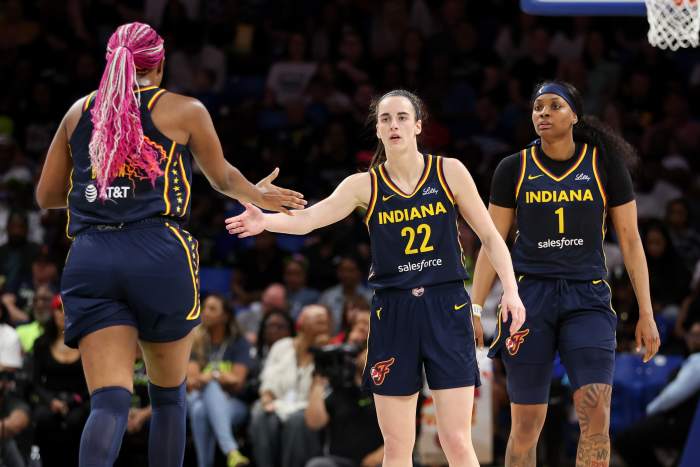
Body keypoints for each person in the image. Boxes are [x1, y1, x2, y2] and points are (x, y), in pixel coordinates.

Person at [35, 21, 305, 467]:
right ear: (159, 65)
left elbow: (46, 196)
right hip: (158, 253)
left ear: (110, 64)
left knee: (108, 402)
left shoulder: (78, 112)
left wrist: (103, 193)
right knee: (167, 398)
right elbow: (221, 178)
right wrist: (260, 197)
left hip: (91, 256)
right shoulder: (183, 109)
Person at [226, 89, 525, 466]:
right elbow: (308, 220)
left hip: (446, 307)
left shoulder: (449, 171)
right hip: (393, 311)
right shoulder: (362, 185)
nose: (394, 124)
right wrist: (264, 220)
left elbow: (490, 237)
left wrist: (511, 291)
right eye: (385, 119)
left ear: (418, 126)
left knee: (455, 440)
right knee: (397, 445)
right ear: (378, 130)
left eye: (402, 117)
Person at [470, 80, 661, 467]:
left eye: (554, 106)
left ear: (574, 115)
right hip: (527, 300)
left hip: (587, 297)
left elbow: (630, 239)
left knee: (596, 418)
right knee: (526, 424)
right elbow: (493, 241)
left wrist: (647, 312)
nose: (543, 113)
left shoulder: (604, 164)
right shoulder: (514, 168)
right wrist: (474, 307)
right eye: (538, 107)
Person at [248, 304, 331, 467]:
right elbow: (267, 381)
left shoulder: (328, 353)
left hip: (307, 408)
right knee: (260, 413)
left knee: (296, 422)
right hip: (278, 404)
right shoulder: (282, 347)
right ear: (302, 324)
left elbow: (323, 390)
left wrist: (321, 354)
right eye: (319, 322)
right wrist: (266, 400)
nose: (325, 327)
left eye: (326, 323)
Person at [614, 319, 700, 467]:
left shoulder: (697, 362)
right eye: (691, 334)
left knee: (624, 440)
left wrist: (651, 410)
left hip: (680, 422)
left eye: (697, 335)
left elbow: (673, 396)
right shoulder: (691, 359)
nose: (693, 339)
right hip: (678, 419)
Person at [186, 294, 254, 467]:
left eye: (212, 309)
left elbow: (237, 381)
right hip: (198, 399)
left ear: (225, 316)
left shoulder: (239, 343)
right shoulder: (197, 341)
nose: (205, 312)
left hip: (233, 402)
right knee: (203, 402)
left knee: (201, 409)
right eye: (204, 307)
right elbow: (191, 382)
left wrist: (212, 376)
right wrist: (219, 378)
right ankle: (231, 451)